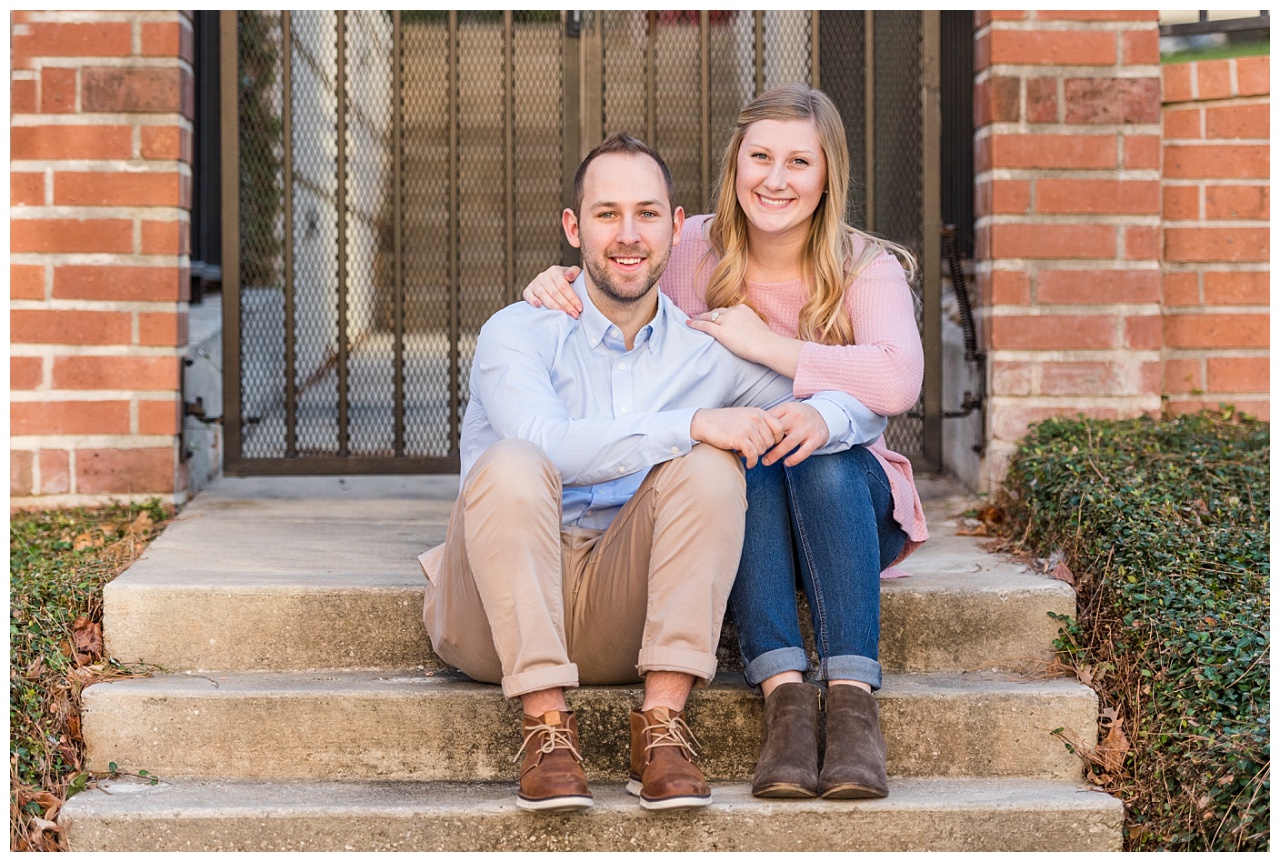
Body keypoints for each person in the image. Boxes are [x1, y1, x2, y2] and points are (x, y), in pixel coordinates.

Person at [418, 131, 887, 814]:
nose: (627, 235)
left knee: (710, 468)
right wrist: (691, 422)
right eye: (607, 214)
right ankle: (546, 730)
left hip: (623, 612)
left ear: (675, 229)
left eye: (645, 214)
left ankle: (663, 727)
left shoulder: (708, 351)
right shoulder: (517, 331)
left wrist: (823, 419)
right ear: (574, 228)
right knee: (517, 461)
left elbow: (860, 404)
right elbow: (547, 444)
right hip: (494, 610)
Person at [522, 85, 927, 800]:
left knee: (821, 463)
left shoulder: (865, 264)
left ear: (828, 173)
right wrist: (560, 282)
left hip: (848, 509)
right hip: (749, 505)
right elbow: (621, 280)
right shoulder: (689, 251)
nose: (776, 179)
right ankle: (785, 705)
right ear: (734, 164)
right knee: (746, 461)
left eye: (799, 162)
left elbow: (897, 381)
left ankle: (854, 706)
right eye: (760, 157)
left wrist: (773, 350)